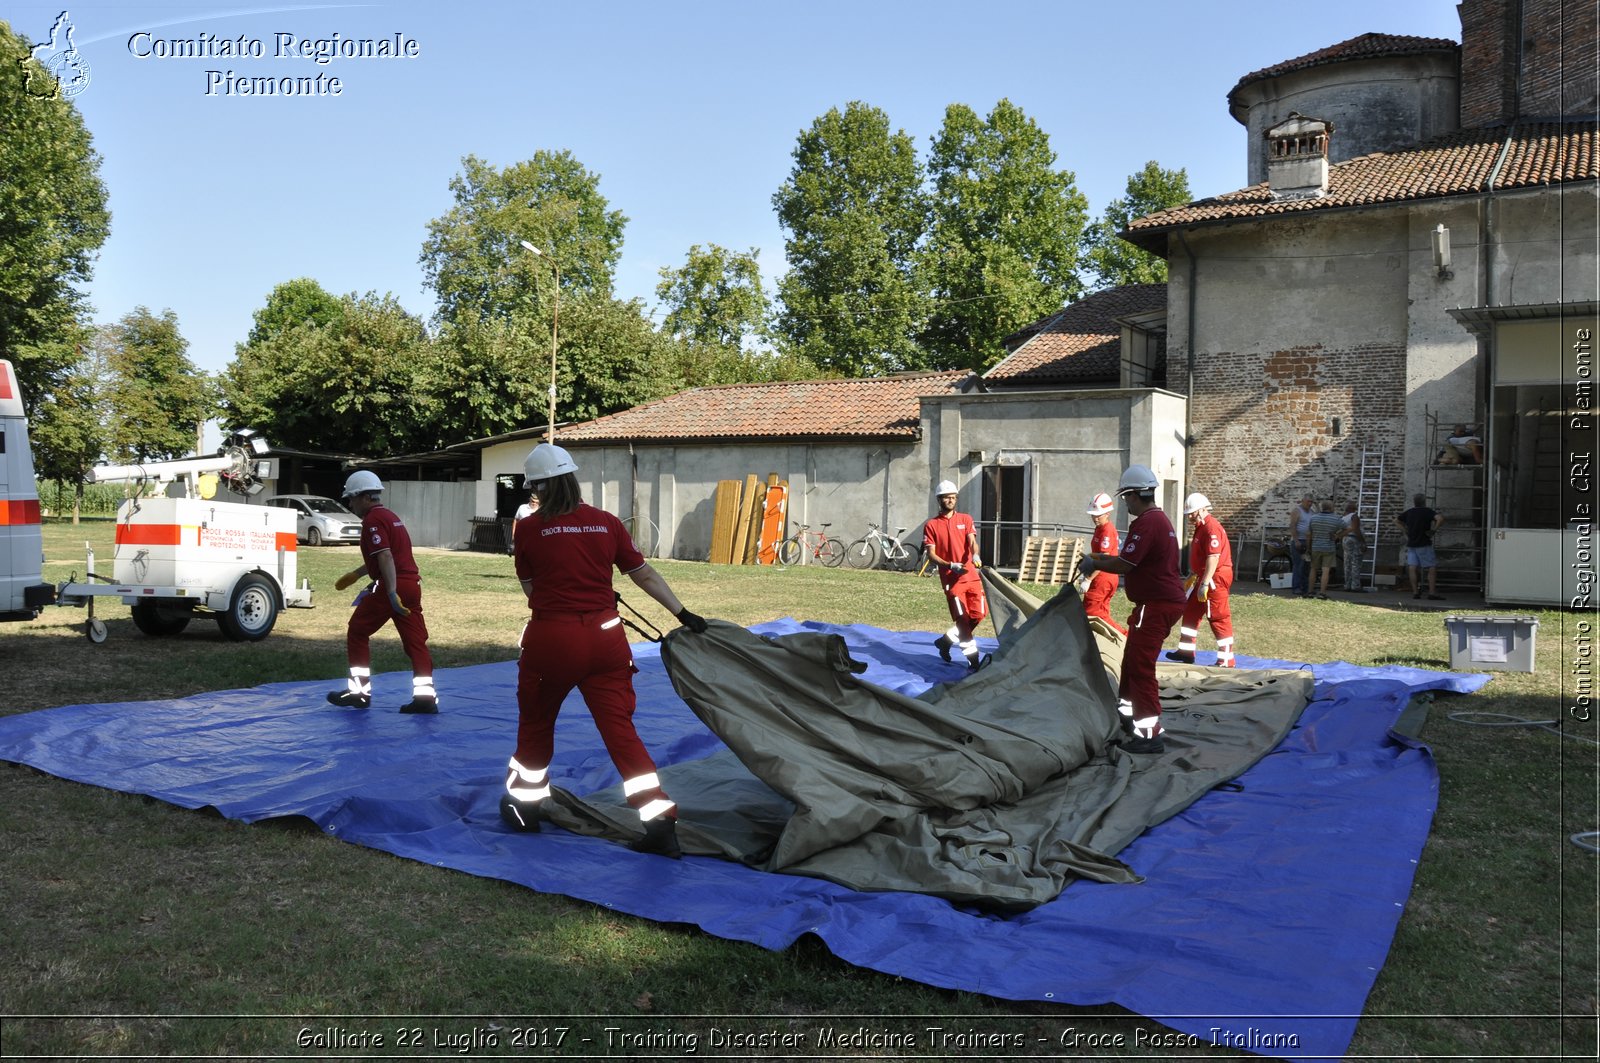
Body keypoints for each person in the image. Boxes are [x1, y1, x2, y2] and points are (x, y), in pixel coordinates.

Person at [499, 443, 708, 858]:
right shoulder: (607, 523)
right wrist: (684, 614)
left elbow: (532, 588)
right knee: (621, 732)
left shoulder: (529, 528)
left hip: (552, 640)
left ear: (537, 486)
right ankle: (659, 818)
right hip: (607, 639)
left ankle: (525, 805)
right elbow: (643, 574)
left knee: (537, 724)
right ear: (574, 478)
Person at [1076, 464, 1186, 754]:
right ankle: (1125, 713)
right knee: (1131, 659)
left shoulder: (1148, 523)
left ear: (1136, 495)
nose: (1126, 503)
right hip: (1157, 601)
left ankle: (1149, 733)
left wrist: (1094, 563)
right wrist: (1097, 558)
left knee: (1140, 664)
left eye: (1126, 497)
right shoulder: (1158, 520)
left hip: (1156, 603)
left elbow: (1125, 564)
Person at [326, 470, 437, 714]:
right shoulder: (390, 516)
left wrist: (390, 592)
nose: (350, 504)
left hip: (392, 585)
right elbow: (387, 555)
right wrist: (357, 574)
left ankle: (359, 692)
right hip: (412, 585)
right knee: (416, 642)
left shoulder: (373, 521)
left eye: (351, 499)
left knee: (357, 631)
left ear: (363, 497)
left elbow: (386, 556)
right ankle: (426, 697)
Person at [923, 478, 989, 670]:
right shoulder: (932, 525)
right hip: (952, 581)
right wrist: (950, 565)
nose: (951, 500)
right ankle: (974, 660)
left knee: (978, 614)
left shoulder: (966, 519)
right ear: (939, 500)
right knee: (962, 619)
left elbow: (972, 541)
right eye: (946, 497)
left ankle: (945, 641)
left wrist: (975, 553)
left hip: (971, 576)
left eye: (953, 497)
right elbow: (931, 555)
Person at [1165, 492, 1235, 667]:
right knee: (1190, 612)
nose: (1190, 516)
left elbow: (1213, 556)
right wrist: (1193, 575)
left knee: (1218, 616)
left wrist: (1205, 582)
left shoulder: (1211, 528)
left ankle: (1226, 659)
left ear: (1203, 509)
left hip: (1214, 578)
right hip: (1204, 576)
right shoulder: (1201, 526)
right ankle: (1186, 652)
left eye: (1193, 513)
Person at [1080, 491, 1127, 635]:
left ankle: (1125, 636)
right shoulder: (1100, 528)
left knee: (1093, 612)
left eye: (1098, 515)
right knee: (1100, 612)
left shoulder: (1106, 531)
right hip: (1102, 577)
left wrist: (1088, 579)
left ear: (1107, 513)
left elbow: (1104, 559)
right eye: (1093, 515)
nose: (1094, 518)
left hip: (1103, 578)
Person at [1395, 494, 1445, 600]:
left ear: (1414, 502)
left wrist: (1405, 530)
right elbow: (1440, 519)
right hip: (1424, 543)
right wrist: (1434, 530)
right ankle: (1431, 593)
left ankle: (1415, 592)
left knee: (1412, 567)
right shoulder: (1427, 511)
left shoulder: (1409, 512)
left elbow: (1396, 521)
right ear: (1424, 502)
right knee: (1431, 567)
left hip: (1412, 543)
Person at [1306, 500, 1344, 598]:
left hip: (1315, 547)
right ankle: (1322, 593)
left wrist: (1308, 548)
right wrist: (1338, 536)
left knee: (1313, 569)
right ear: (1331, 508)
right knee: (1325, 571)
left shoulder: (1313, 518)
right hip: (1329, 548)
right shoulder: (1336, 519)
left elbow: (1309, 534)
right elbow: (1349, 527)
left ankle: (1310, 591)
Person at [1287, 493, 1315, 596]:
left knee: (1306, 566)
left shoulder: (1312, 512)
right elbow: (1293, 525)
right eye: (1308, 501)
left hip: (1307, 541)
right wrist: (1296, 540)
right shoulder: (1297, 511)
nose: (1310, 504)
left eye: (1312, 502)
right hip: (1299, 541)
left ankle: (1305, 587)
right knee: (1298, 565)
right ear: (1303, 501)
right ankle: (1297, 587)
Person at [1339, 502, 1366, 591]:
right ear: (1353, 509)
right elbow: (1356, 529)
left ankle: (1347, 585)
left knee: (1347, 563)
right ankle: (1356, 586)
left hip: (1345, 539)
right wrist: (1363, 542)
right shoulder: (1354, 516)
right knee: (1356, 563)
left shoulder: (1343, 518)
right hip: (1354, 539)